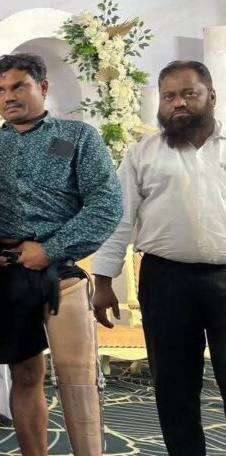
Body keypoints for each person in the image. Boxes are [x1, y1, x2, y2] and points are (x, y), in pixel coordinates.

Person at [0, 53, 122, 456]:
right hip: (4, 273)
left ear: (42, 86)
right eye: (0, 89)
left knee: (78, 378)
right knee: (23, 375)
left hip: (61, 273)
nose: (8, 96)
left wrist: (50, 249)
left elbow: (106, 204)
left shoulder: (78, 137)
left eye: (18, 86)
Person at [92, 60, 226, 455]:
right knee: (174, 388)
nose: (178, 103)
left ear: (211, 96)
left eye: (188, 94)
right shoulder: (142, 154)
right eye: (169, 96)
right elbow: (119, 219)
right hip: (166, 282)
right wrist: (103, 280)